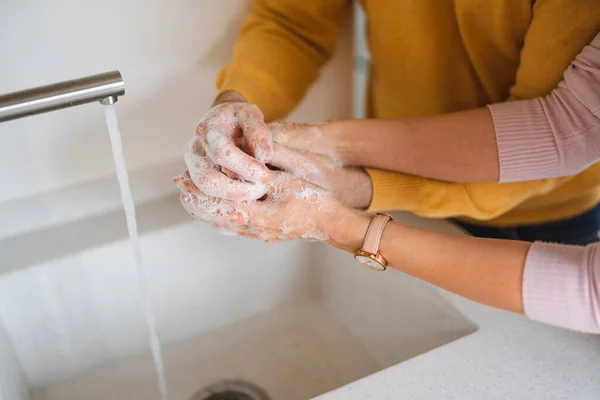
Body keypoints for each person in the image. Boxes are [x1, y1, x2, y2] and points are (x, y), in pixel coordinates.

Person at [175, 32, 600, 334]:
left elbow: (586, 290)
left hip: (554, 210)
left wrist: (348, 204)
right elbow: (568, 120)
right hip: (397, 194)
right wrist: (320, 142)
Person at [184, 0, 600, 245]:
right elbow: (294, 19)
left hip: (548, 212)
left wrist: (355, 181)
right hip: (395, 193)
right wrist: (237, 101)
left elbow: (553, 130)